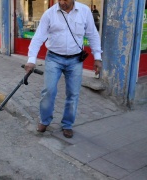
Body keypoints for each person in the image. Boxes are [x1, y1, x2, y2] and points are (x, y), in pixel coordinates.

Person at [24, 0, 103, 138]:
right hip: (54, 58)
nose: (62, 2)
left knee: (73, 93)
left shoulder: (84, 11)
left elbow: (93, 35)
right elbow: (38, 37)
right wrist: (31, 60)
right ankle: (45, 120)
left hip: (75, 60)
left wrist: (97, 57)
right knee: (48, 91)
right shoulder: (49, 14)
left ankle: (67, 124)